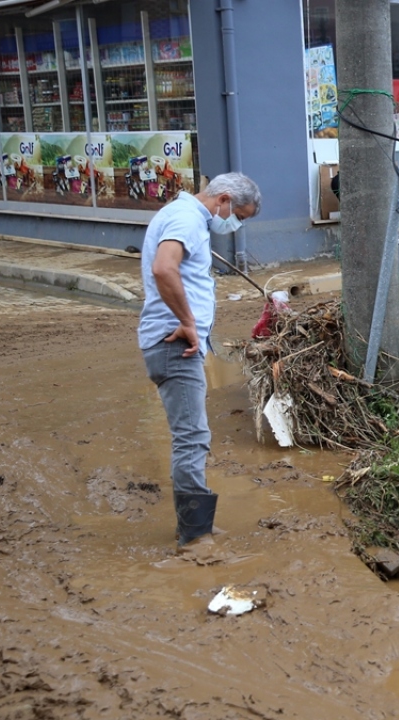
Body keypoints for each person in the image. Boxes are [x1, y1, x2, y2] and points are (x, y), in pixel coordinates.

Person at [138, 172, 261, 548]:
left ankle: (194, 524)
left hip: (174, 342)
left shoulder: (183, 216)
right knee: (192, 438)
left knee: (192, 434)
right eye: (239, 214)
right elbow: (163, 267)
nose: (235, 223)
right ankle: (194, 537)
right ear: (222, 199)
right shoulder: (186, 218)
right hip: (175, 343)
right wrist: (189, 322)